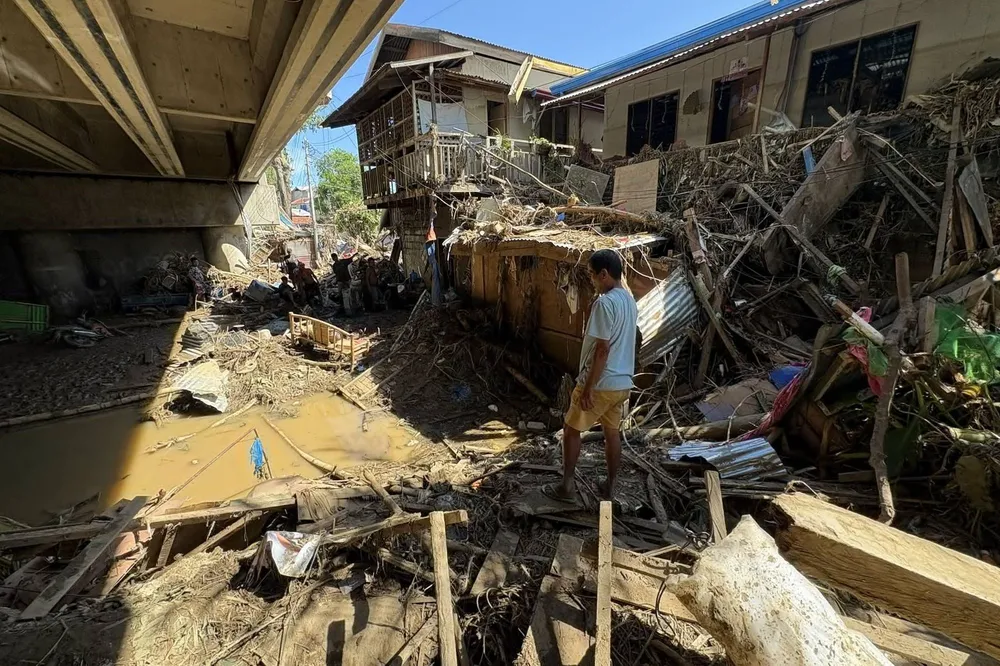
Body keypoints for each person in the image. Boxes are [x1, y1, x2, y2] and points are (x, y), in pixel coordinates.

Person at [544, 249, 637, 503]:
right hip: (622, 383)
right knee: (611, 433)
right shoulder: (629, 301)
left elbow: (602, 349)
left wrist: (588, 388)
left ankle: (567, 487)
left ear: (604, 274)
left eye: (592, 276)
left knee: (571, 430)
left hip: (601, 383)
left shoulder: (604, 303)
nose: (592, 281)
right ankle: (610, 486)